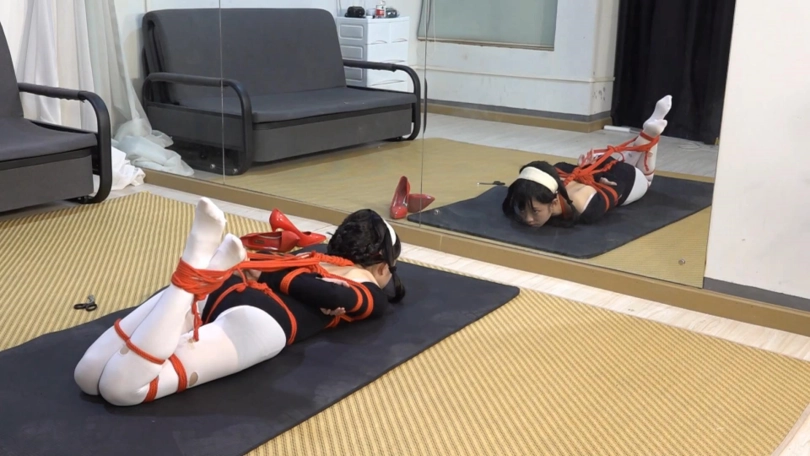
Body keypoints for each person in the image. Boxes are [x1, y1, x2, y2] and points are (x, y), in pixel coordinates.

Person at [73, 200, 403, 406]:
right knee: (122, 389)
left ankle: (195, 269)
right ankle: (193, 268)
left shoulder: (310, 253)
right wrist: (305, 285)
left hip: (225, 283)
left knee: (87, 375)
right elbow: (334, 297)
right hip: (263, 319)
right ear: (382, 266)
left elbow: (324, 292)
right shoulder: (366, 285)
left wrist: (267, 273)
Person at [502, 95, 673, 227]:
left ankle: (651, 135)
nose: (528, 218)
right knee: (621, 164)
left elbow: (618, 188)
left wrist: (598, 178)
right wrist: (591, 172)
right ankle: (650, 129)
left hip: (625, 180)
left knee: (645, 179)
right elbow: (560, 167)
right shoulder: (549, 179)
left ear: (553, 202)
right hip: (602, 168)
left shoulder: (584, 207)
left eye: (535, 211)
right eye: (522, 209)